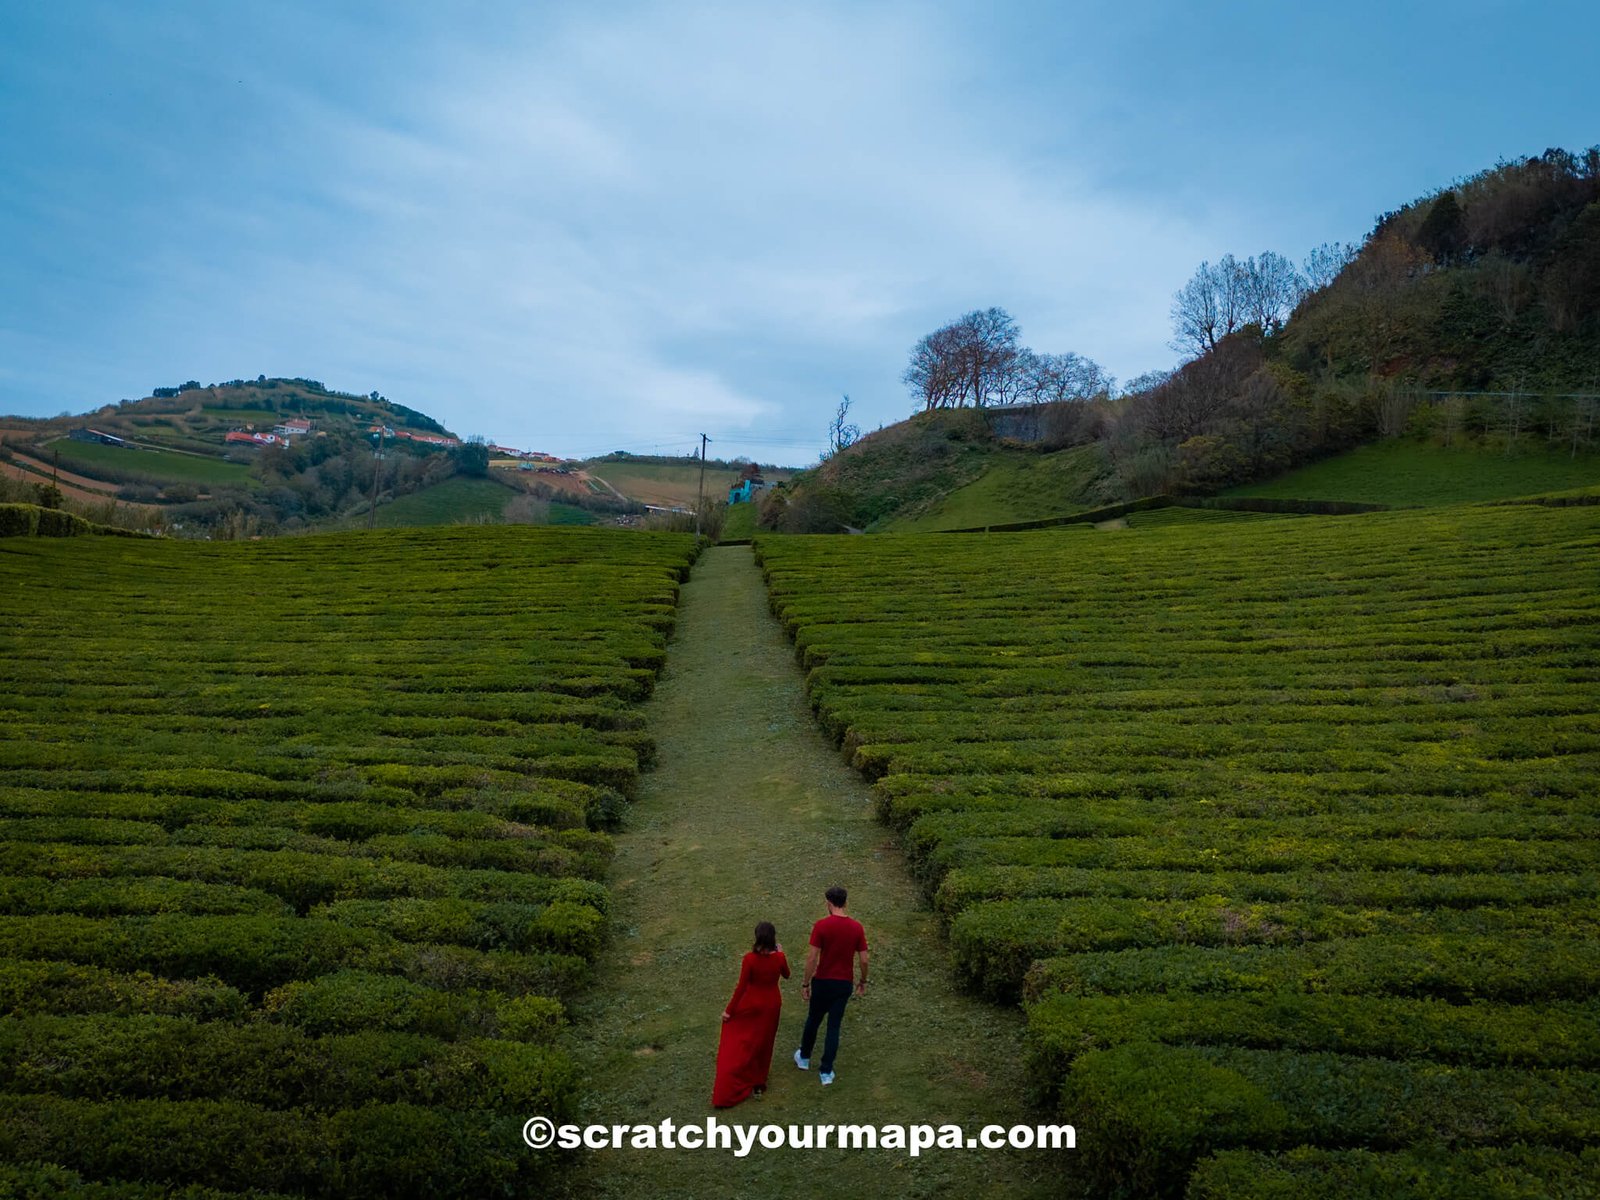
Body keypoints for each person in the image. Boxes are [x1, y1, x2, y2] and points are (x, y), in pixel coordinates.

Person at [794, 885, 868, 1087]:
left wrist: (806, 983)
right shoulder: (856, 928)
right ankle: (826, 1071)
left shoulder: (822, 926)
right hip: (843, 983)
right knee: (833, 1026)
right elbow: (864, 960)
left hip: (823, 981)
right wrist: (862, 980)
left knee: (814, 1019)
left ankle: (805, 1057)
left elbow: (811, 958)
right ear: (845, 902)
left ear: (829, 903)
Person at [711, 921, 790, 1107]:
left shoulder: (749, 959)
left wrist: (729, 1011)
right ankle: (759, 1080)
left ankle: (740, 1076)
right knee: (765, 1041)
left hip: (752, 1004)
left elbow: (741, 987)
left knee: (746, 1041)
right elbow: (786, 974)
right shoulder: (778, 957)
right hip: (772, 1004)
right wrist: (781, 953)